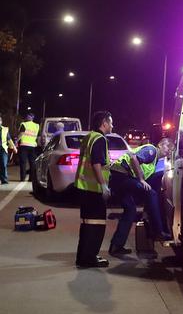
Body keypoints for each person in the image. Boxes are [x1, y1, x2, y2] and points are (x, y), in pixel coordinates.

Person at [108, 138, 175, 256]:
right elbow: (134, 158)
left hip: (121, 178)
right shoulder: (151, 150)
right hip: (121, 175)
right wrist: (141, 179)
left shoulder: (154, 164)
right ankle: (158, 231)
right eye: (167, 146)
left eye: (172, 149)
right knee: (151, 193)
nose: (169, 150)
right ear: (160, 144)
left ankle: (116, 246)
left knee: (130, 211)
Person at [74, 111, 113, 268]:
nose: (112, 125)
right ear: (103, 123)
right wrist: (103, 185)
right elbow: (97, 163)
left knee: (87, 224)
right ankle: (89, 258)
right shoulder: (100, 139)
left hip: (84, 187)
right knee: (96, 224)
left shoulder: (89, 137)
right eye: (110, 122)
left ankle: (83, 257)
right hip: (93, 189)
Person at [17, 113, 39, 181]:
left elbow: (21, 133)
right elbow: (38, 135)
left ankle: (23, 178)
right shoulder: (37, 125)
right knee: (32, 163)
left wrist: (16, 141)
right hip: (33, 146)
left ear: (28, 117)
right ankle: (31, 178)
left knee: (23, 162)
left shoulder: (24, 124)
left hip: (24, 145)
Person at [0, 115, 17, 184]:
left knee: (3, 164)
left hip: (3, 148)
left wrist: (14, 147)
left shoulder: (5, 129)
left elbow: (9, 139)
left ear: (1, 122)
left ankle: (4, 180)